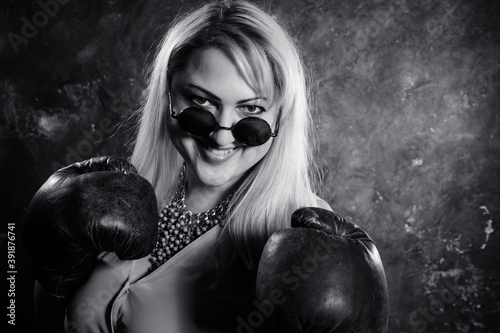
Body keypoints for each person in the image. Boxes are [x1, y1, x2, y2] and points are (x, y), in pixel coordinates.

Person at [23, 1, 389, 332]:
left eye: (251, 110)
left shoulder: (310, 242)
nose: (222, 136)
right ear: (167, 96)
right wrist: (53, 274)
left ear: (281, 118)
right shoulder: (122, 192)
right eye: (201, 101)